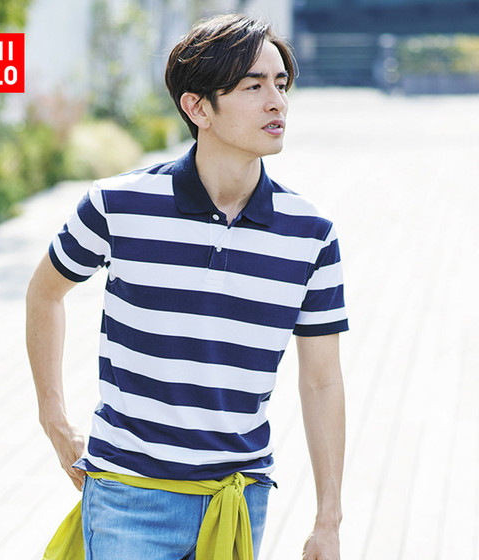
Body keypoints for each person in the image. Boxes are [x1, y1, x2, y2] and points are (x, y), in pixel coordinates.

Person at [26, 13, 347, 560]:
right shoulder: (117, 205)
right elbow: (45, 292)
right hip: (129, 496)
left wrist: (328, 521)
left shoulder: (311, 234)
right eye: (253, 86)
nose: (277, 102)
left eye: (280, 84)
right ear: (198, 107)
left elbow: (322, 381)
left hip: (237, 500)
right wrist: (54, 420)